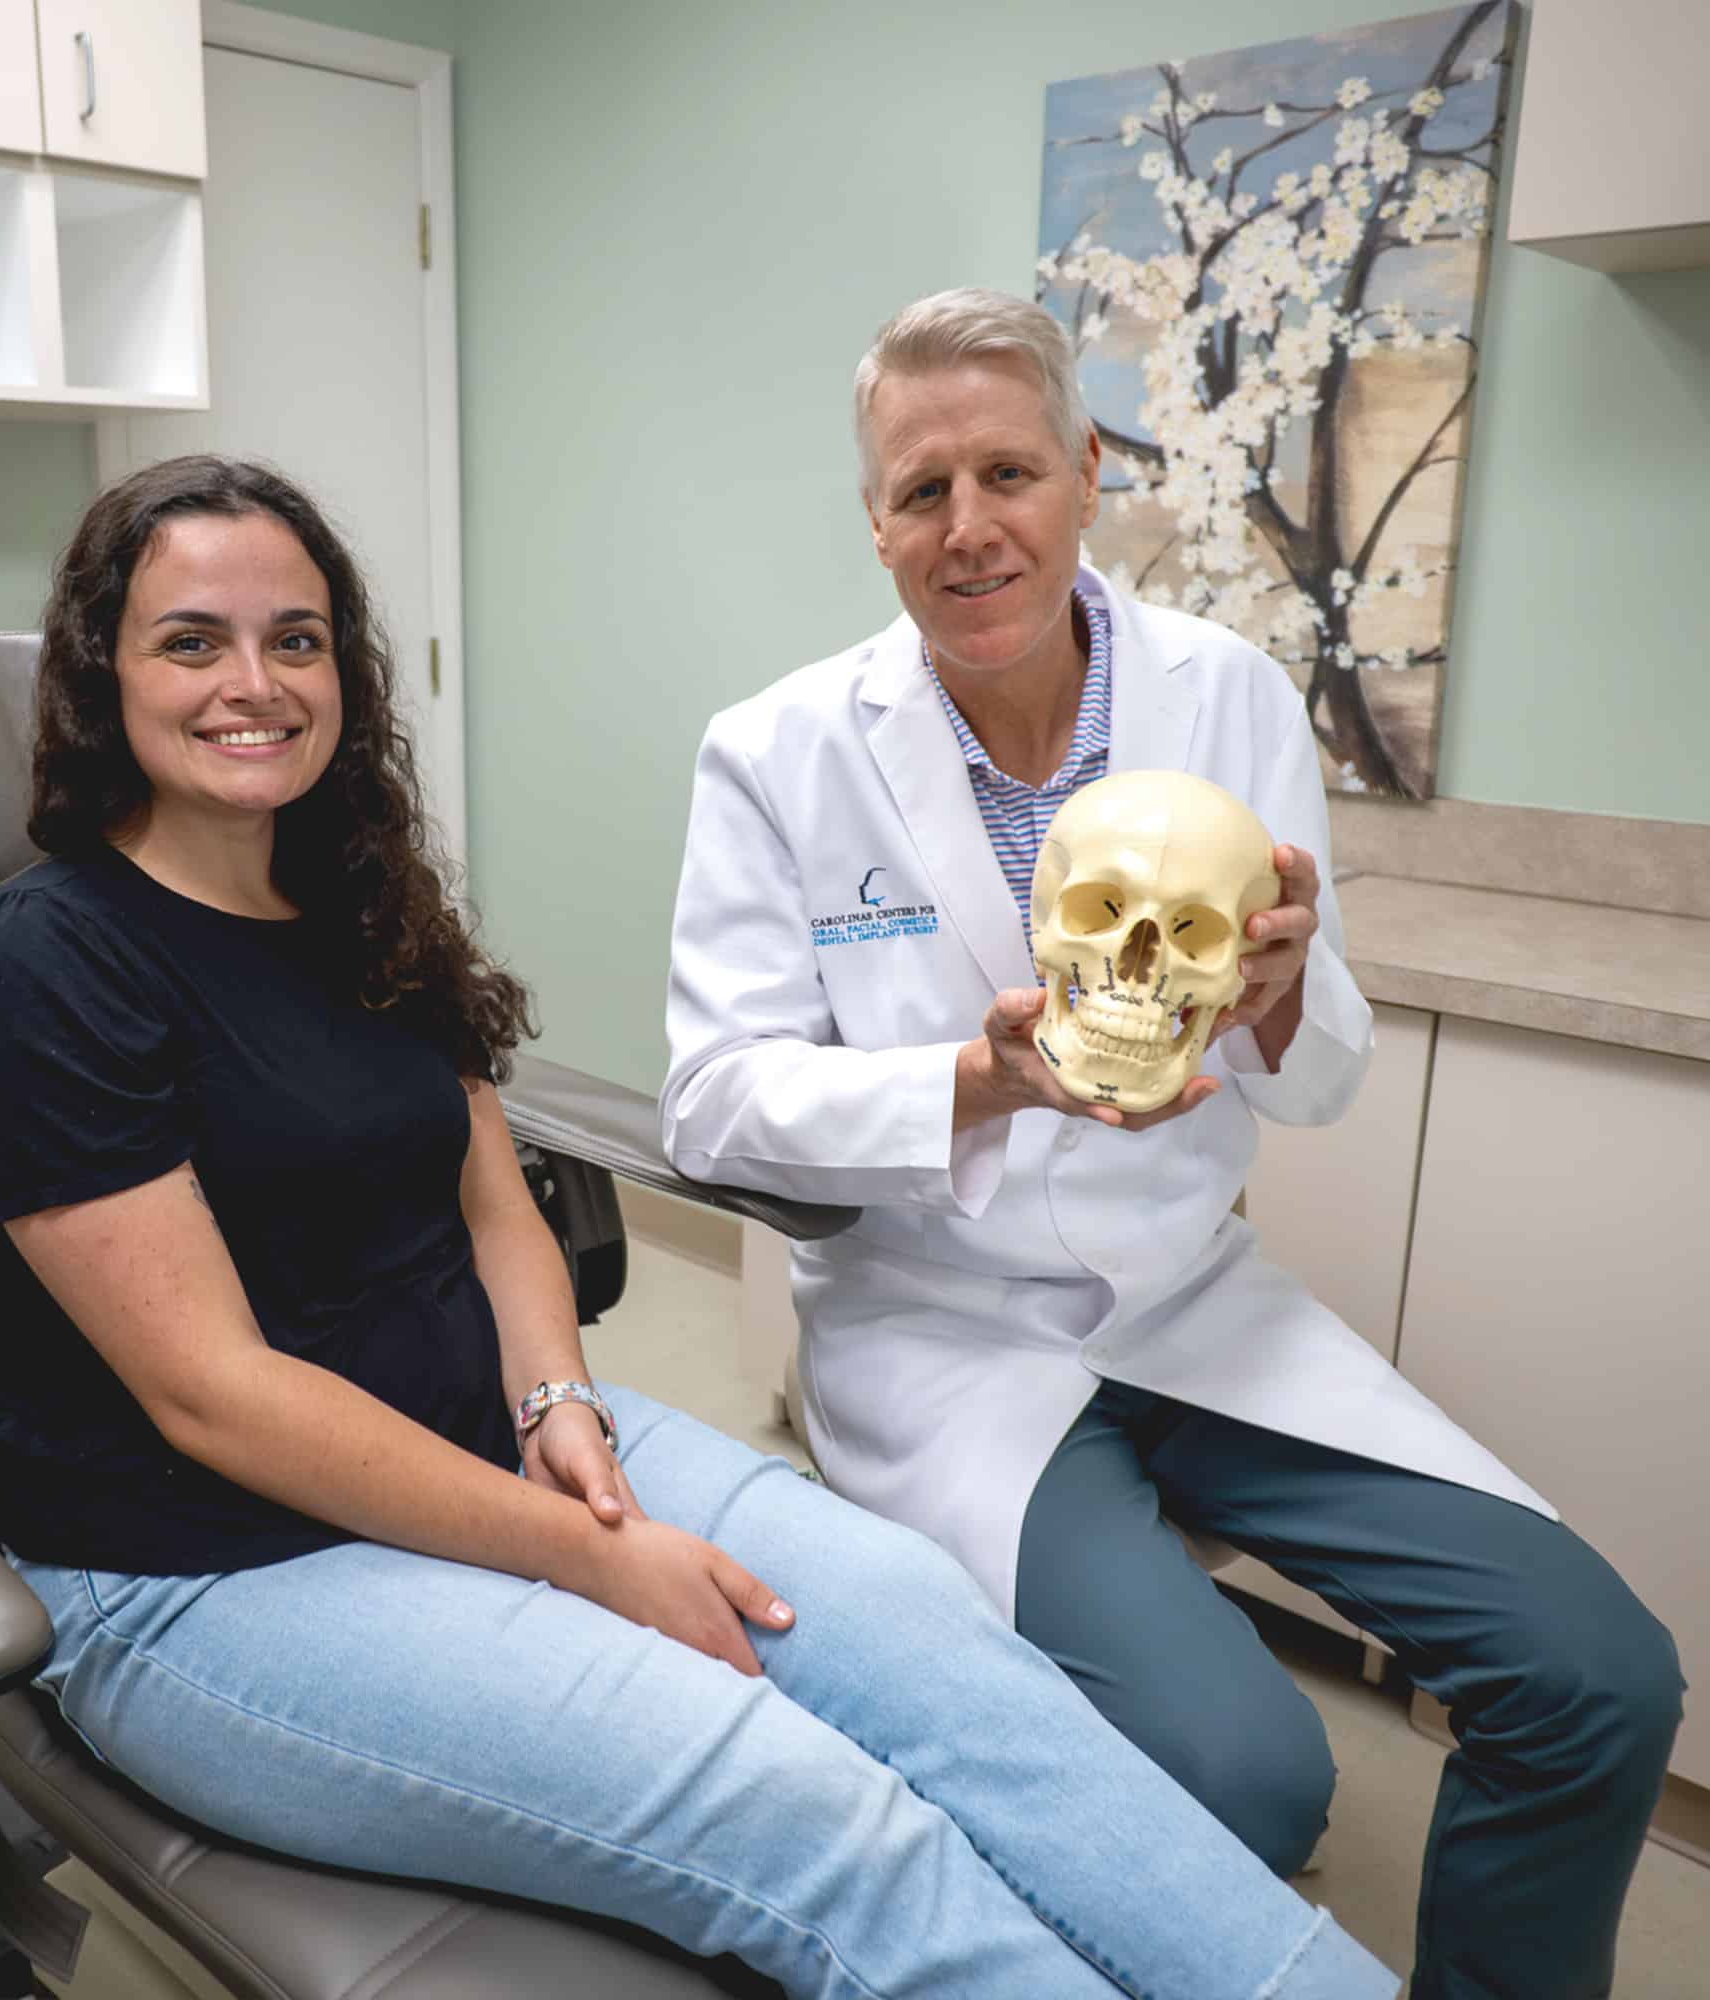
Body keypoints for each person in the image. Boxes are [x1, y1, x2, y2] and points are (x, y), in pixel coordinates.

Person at [0, 454, 1396, 2000]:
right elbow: (209, 1393)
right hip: (212, 1568)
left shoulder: (357, 904)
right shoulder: (42, 961)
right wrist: (584, 1557)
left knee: (946, 1654)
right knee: (811, 1810)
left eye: (295, 639)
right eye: (190, 640)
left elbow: (494, 1206)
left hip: (503, 1439)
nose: (254, 682)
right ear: (104, 674)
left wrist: (559, 1397)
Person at [661, 290, 1684, 2000]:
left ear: (1082, 479)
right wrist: (967, 1087)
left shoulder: (1230, 698)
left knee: (1598, 1674)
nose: (969, 526)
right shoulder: (775, 751)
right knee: (1247, 1774)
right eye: (923, 491)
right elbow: (713, 1100)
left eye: (1009, 472)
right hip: (943, 1327)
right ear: (876, 523)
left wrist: (1283, 995)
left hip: (1193, 1299)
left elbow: (1320, 1069)